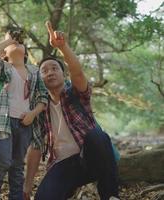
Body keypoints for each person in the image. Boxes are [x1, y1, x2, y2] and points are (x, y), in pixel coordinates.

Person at [23, 21, 119, 200]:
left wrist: (63, 47)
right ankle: (67, 189)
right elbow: (35, 148)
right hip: (63, 165)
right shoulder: (39, 108)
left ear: (63, 74)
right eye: (44, 71)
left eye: (54, 68)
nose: (50, 72)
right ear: (40, 78)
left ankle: (111, 195)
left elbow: (78, 73)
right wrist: (27, 187)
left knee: (98, 136)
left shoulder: (76, 94)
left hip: (89, 158)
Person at [0, 28, 48, 200]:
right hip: (3, 123)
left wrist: (33, 114)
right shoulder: (3, 68)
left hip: (24, 124)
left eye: (20, 43)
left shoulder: (34, 71)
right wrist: (9, 40)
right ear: (4, 53)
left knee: (17, 166)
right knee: (3, 160)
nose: (16, 43)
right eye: (11, 43)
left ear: (25, 52)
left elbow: (43, 97)